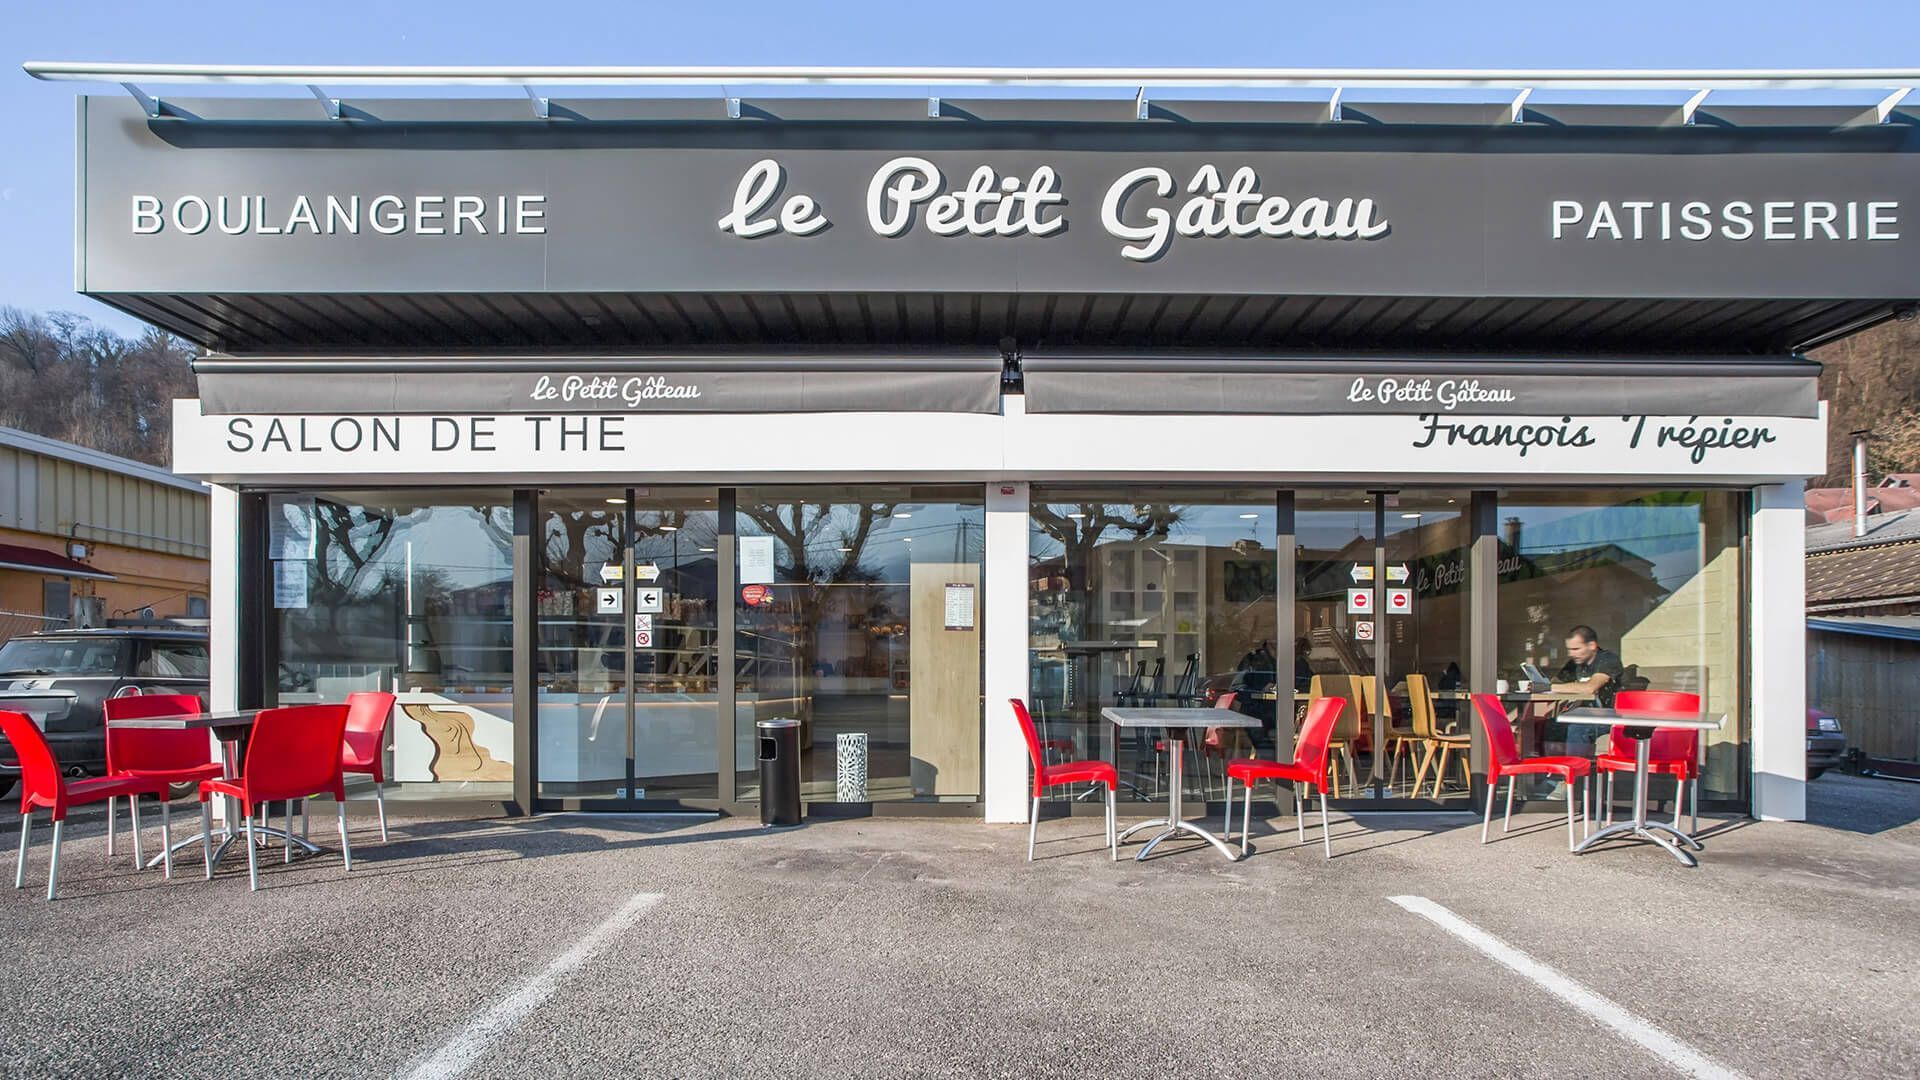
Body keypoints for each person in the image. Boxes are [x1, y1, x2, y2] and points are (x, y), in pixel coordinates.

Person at [1550, 625, 1625, 707]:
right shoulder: (1574, 663)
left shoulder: (1608, 659)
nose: (1571, 654)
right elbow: (1557, 682)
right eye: (1569, 649)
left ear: (1592, 645)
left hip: (1608, 716)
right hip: (1579, 714)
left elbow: (1590, 688)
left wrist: (1549, 688)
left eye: (1576, 649)